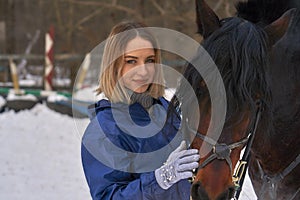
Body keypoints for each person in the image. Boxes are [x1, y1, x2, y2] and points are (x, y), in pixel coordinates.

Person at [81, 21, 200, 200]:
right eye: (131, 61)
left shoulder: (165, 109)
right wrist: (160, 179)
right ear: (113, 65)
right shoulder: (104, 130)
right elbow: (109, 197)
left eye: (149, 60)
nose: (143, 71)